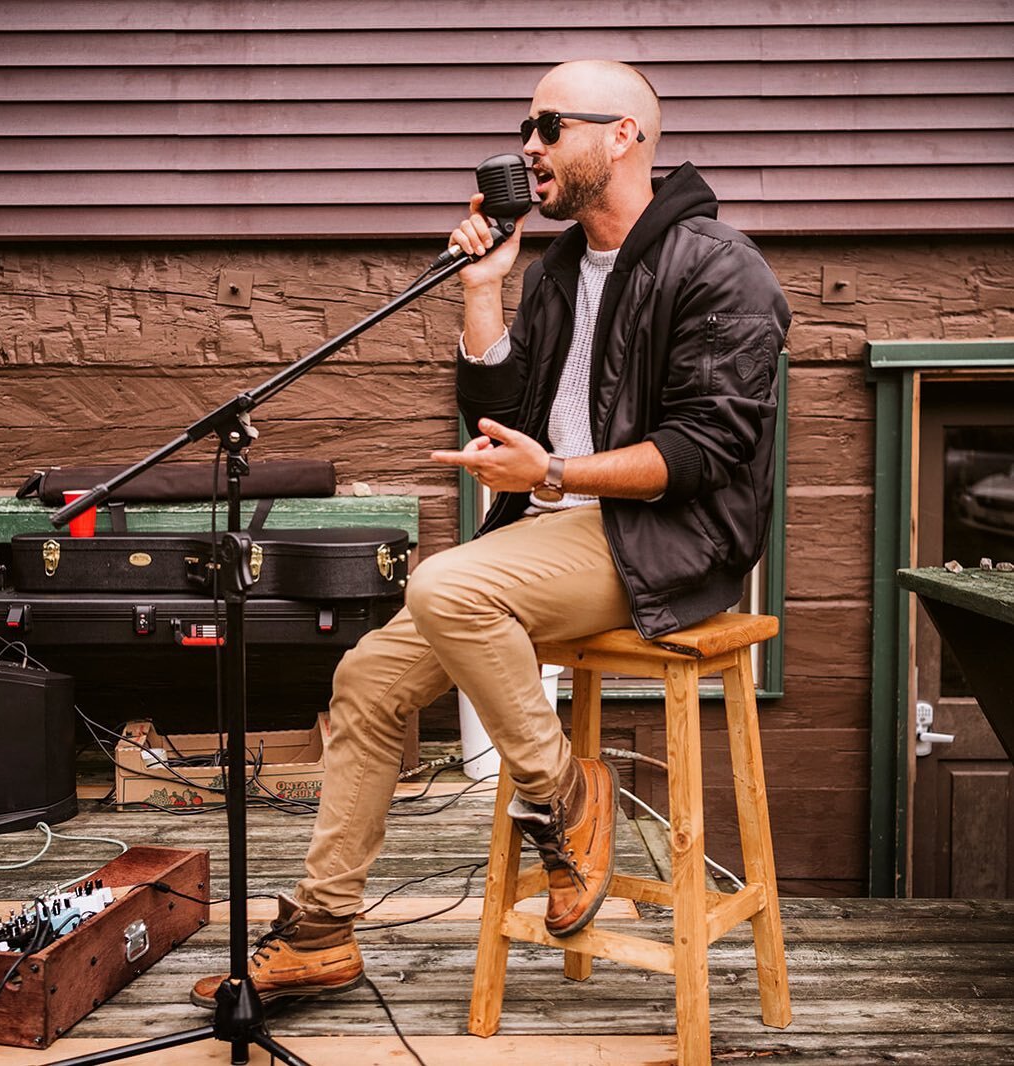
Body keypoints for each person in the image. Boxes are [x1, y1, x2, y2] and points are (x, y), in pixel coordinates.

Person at [191, 58, 790, 1008]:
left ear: (622, 136)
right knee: (371, 678)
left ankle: (566, 797)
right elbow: (498, 406)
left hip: (662, 539)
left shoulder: (720, 268)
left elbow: (707, 448)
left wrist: (551, 472)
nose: (528, 147)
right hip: (556, 529)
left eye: (550, 127)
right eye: (528, 127)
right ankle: (321, 930)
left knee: (445, 584)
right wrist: (482, 286)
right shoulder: (557, 269)